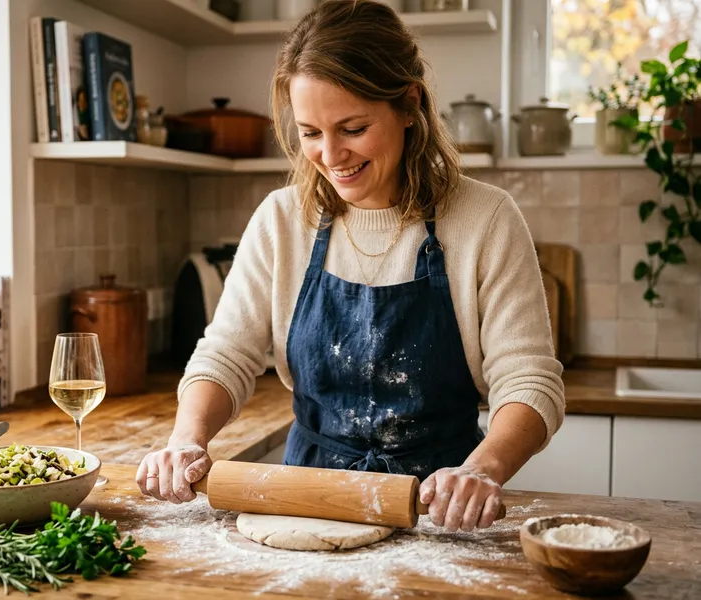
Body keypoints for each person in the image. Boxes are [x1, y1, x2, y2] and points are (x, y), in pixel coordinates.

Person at [136, 0, 565, 533]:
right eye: (311, 133)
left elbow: (529, 380)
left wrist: (483, 469)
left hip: (440, 510)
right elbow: (226, 353)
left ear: (409, 105)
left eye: (353, 128)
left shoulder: (486, 219)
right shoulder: (281, 220)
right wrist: (187, 439)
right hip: (309, 506)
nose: (331, 154)